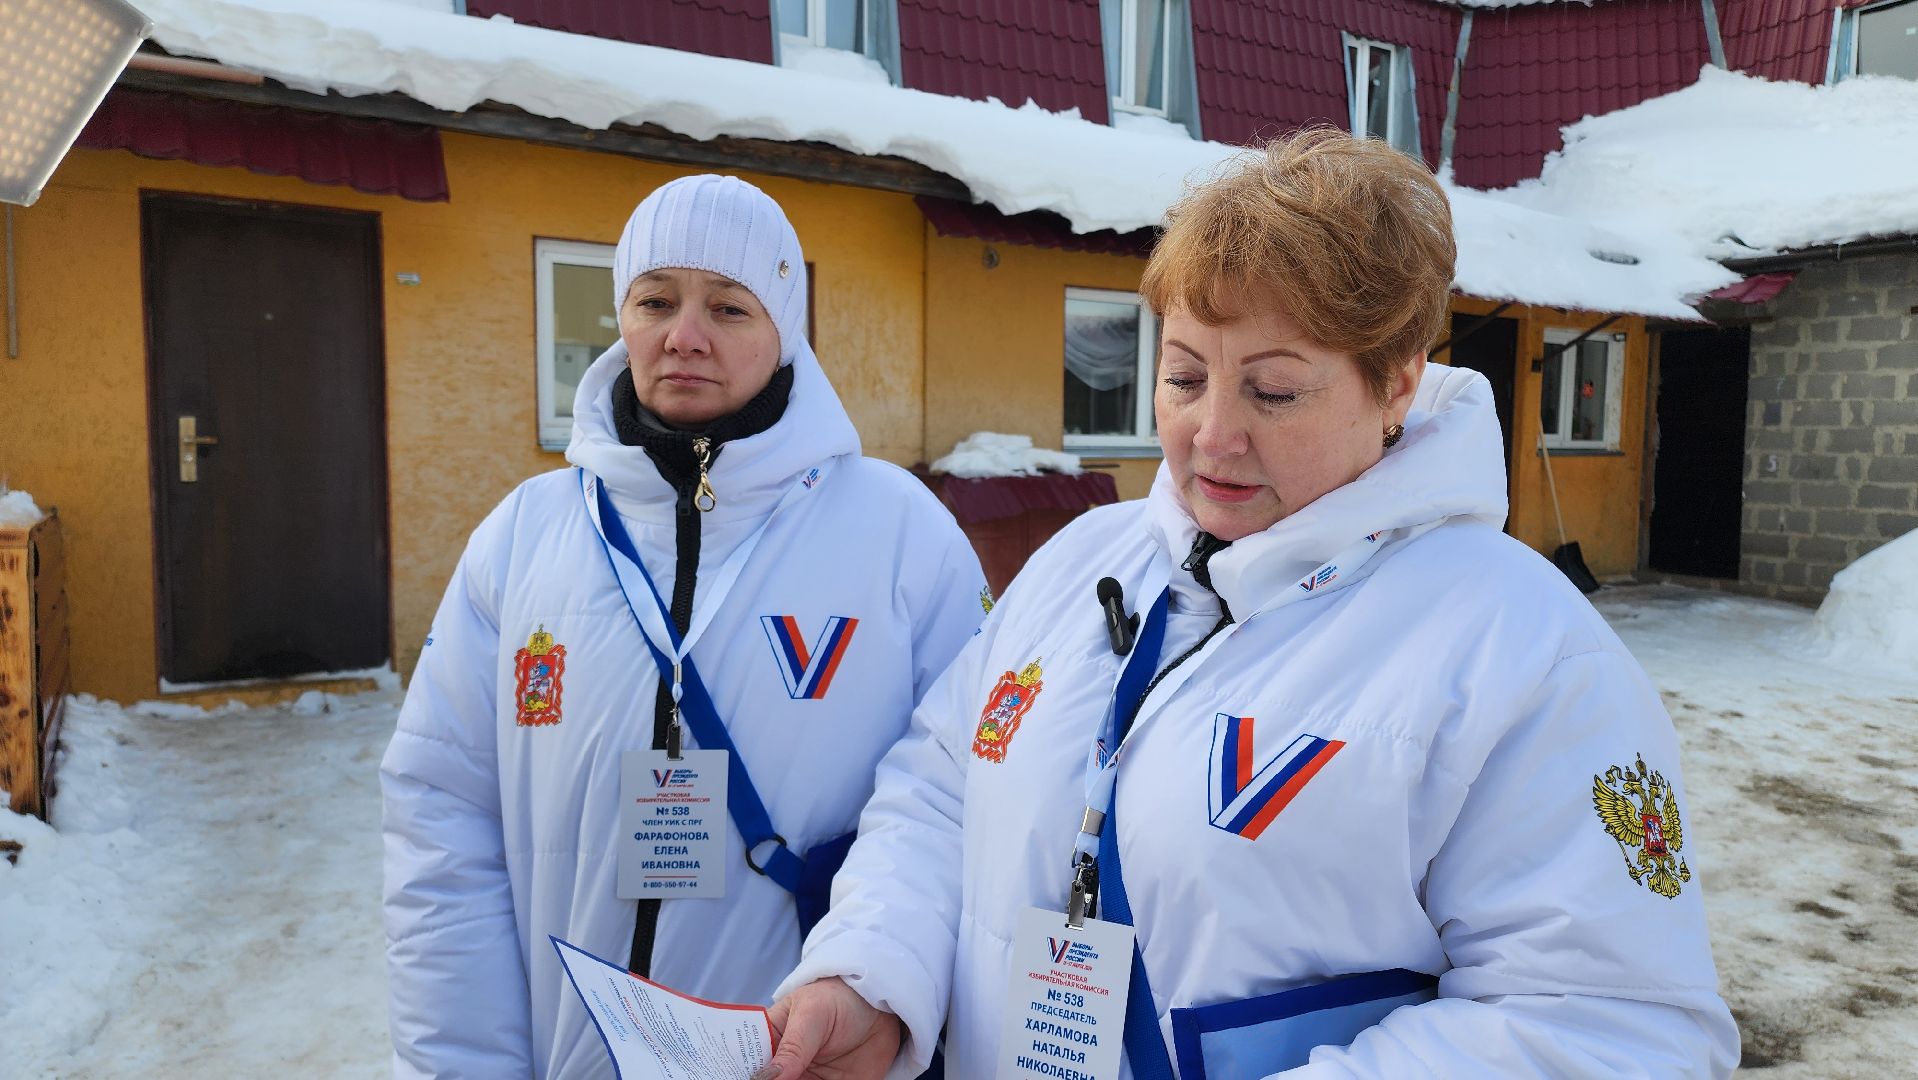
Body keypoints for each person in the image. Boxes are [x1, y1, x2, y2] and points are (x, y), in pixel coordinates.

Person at [764, 131, 1740, 1080]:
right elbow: (940, 794)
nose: (1211, 435)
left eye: (1272, 390)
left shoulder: (1520, 653)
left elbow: (1613, 1031)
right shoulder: (1077, 567)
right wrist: (872, 976)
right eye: (1183, 375)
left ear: (1396, 382)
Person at [380, 174, 988, 1079]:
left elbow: (964, 807)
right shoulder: (526, 533)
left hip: (799, 1055)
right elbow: (440, 819)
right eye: (654, 300)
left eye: (730, 308)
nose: (684, 335)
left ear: (787, 330)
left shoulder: (902, 533)